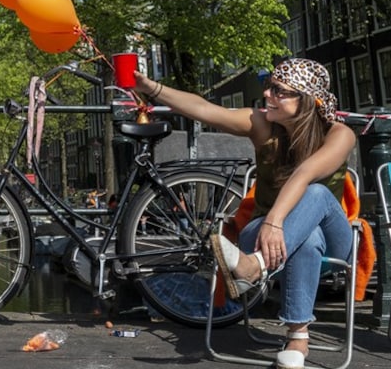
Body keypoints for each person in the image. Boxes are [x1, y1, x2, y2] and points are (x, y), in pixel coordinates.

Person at [133, 58, 354, 369]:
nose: (267, 95)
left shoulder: (340, 134)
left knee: (315, 195)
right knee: (307, 237)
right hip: (264, 234)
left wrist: (276, 221)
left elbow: (304, 174)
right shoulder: (263, 126)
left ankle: (254, 268)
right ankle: (297, 338)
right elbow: (205, 109)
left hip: (331, 246)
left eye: (279, 90)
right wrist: (151, 88)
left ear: (306, 99)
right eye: (269, 87)